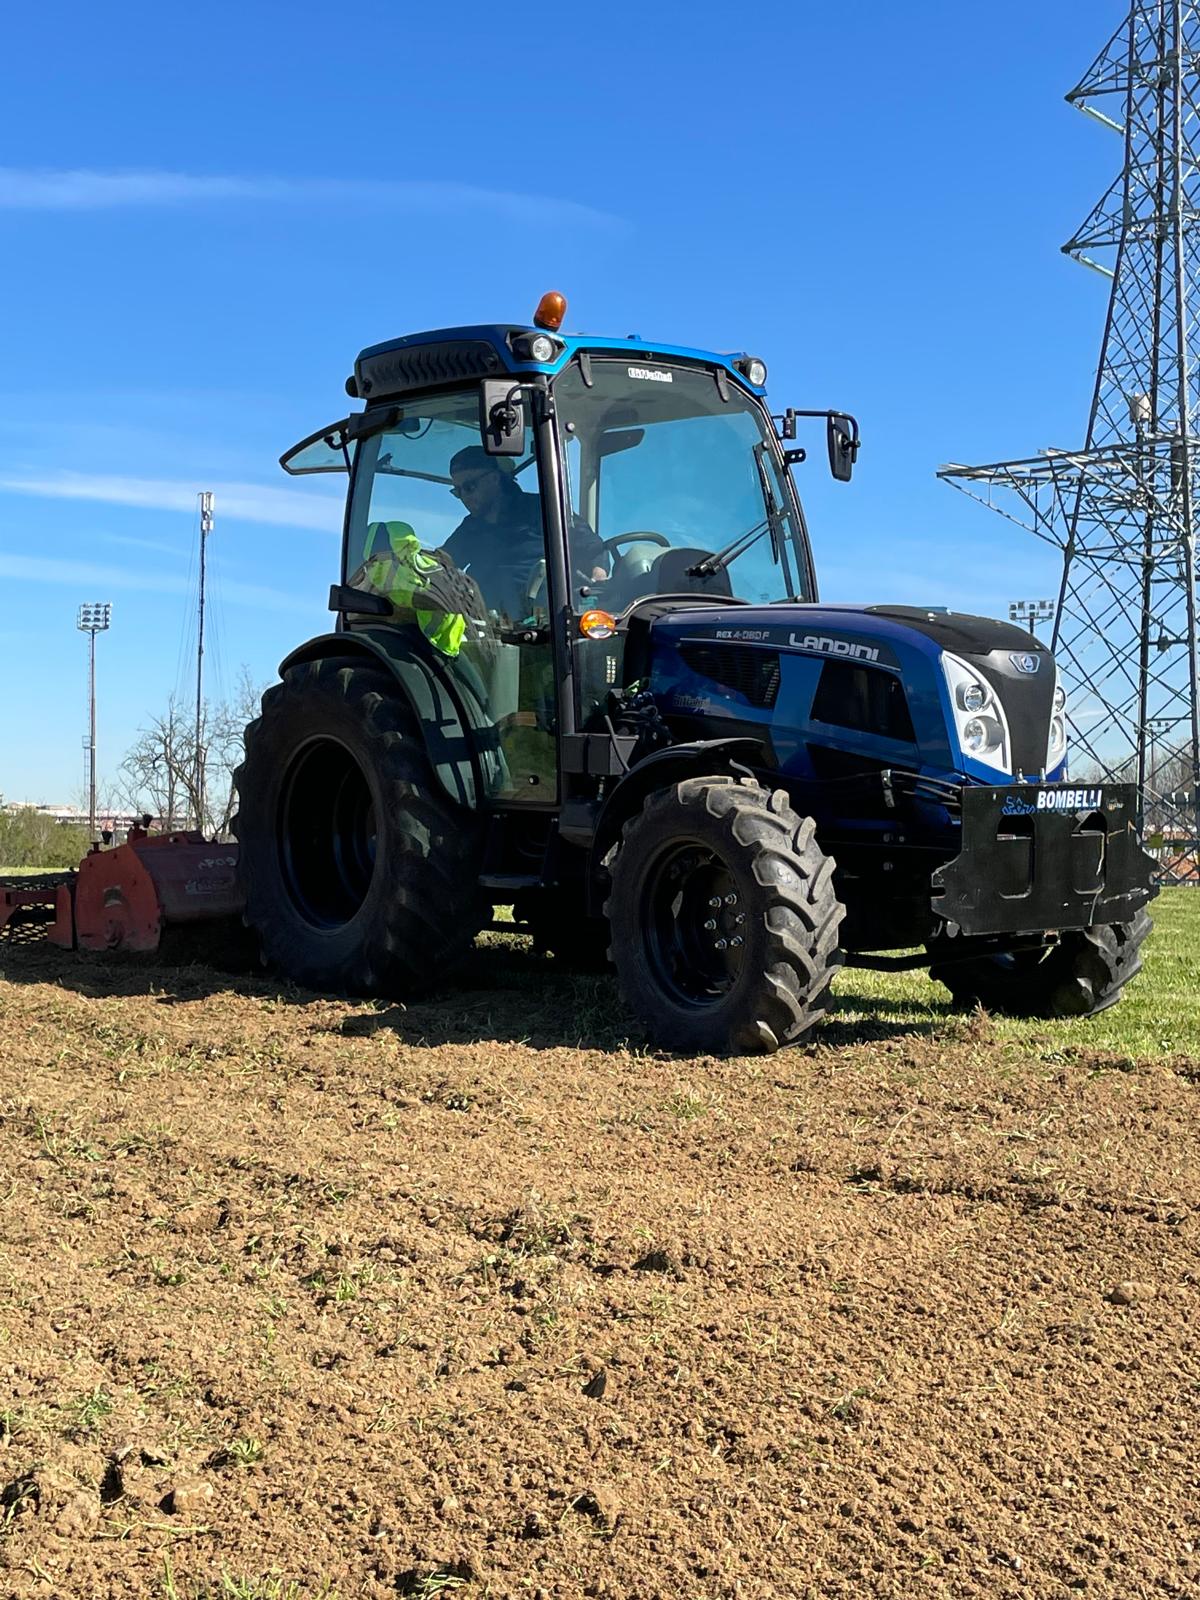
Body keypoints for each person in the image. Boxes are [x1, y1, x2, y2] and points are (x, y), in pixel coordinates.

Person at [442, 446, 606, 622]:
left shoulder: (543, 511)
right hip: (486, 631)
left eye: (469, 487)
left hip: (547, 629)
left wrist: (598, 575)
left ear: (494, 479)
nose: (464, 497)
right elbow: (442, 562)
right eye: (457, 491)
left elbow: (593, 549)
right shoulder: (470, 528)